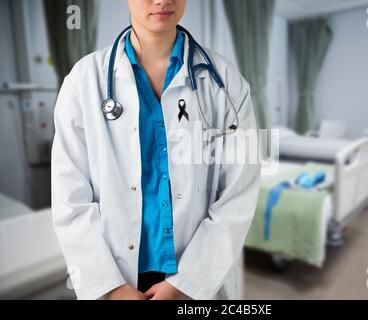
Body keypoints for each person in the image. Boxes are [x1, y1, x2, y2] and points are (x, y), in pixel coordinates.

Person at [51, 0, 261, 300]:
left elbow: (239, 193)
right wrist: (109, 288)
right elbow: (69, 196)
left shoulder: (226, 83)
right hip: (116, 274)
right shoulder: (83, 81)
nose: (162, 0)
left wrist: (189, 283)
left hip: (196, 272)